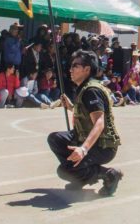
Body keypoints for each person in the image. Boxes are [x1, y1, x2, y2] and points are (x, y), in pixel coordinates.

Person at [47, 50, 123, 195]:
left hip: (103, 146)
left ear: (87, 69)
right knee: (55, 139)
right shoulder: (84, 87)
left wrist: (83, 149)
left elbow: (99, 122)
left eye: (75, 66)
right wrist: (70, 107)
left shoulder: (91, 90)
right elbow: (85, 113)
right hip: (87, 137)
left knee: (64, 171)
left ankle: (108, 174)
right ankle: (81, 172)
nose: (71, 69)